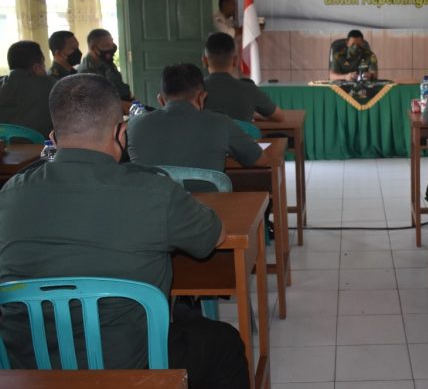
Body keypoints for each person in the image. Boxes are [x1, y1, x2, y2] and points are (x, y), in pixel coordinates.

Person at [0, 73, 250, 388]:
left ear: (53, 135)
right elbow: (214, 236)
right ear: (121, 133)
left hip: (29, 369)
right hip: (130, 368)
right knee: (223, 342)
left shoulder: (10, 193)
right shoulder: (153, 191)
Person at [127, 63, 263, 174]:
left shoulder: (134, 126)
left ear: (161, 100)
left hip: (152, 206)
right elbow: (260, 159)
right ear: (202, 97)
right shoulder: (220, 123)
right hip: (210, 206)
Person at [203, 32, 284, 123]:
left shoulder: (195, 90)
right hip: (241, 137)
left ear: (205, 61)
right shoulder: (249, 89)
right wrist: (252, 114)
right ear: (235, 61)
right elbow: (280, 117)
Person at [0, 41, 55, 136]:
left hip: (4, 149)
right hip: (40, 147)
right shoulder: (50, 85)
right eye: (43, 66)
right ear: (37, 68)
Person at [78, 28, 133, 102]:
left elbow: (118, 85)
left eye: (112, 44)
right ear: (93, 48)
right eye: (107, 45)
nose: (111, 48)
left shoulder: (106, 61)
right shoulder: (86, 71)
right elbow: (97, 100)